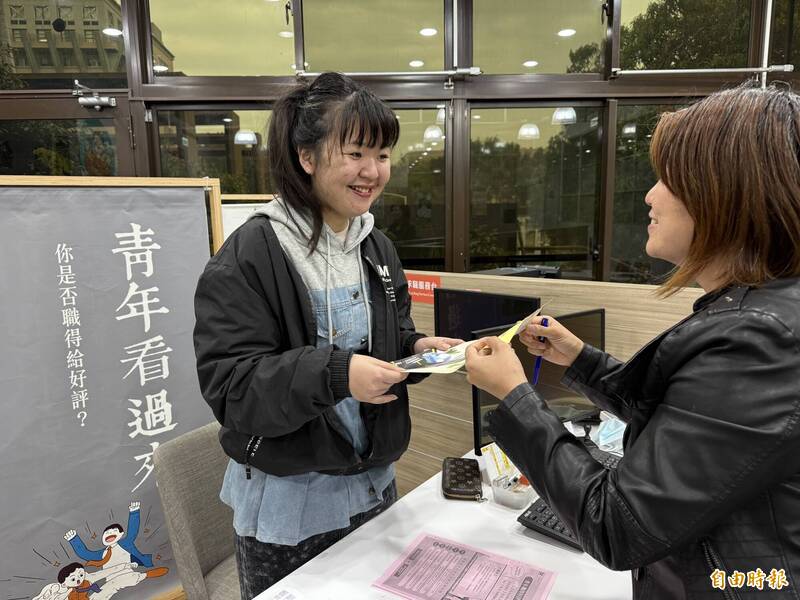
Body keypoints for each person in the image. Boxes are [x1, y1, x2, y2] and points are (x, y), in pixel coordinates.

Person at [465, 85, 800, 599]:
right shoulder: (766, 312)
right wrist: (580, 359)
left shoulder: (763, 341)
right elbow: (689, 421)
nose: (649, 195)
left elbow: (617, 525)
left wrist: (515, 397)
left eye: (668, 179)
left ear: (724, 194)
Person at [193, 72, 460, 599]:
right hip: (292, 502)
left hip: (373, 481)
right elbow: (233, 389)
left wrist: (416, 350)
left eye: (382, 155)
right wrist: (338, 374)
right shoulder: (251, 254)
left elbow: (390, 335)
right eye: (356, 153)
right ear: (306, 157)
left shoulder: (376, 246)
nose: (372, 171)